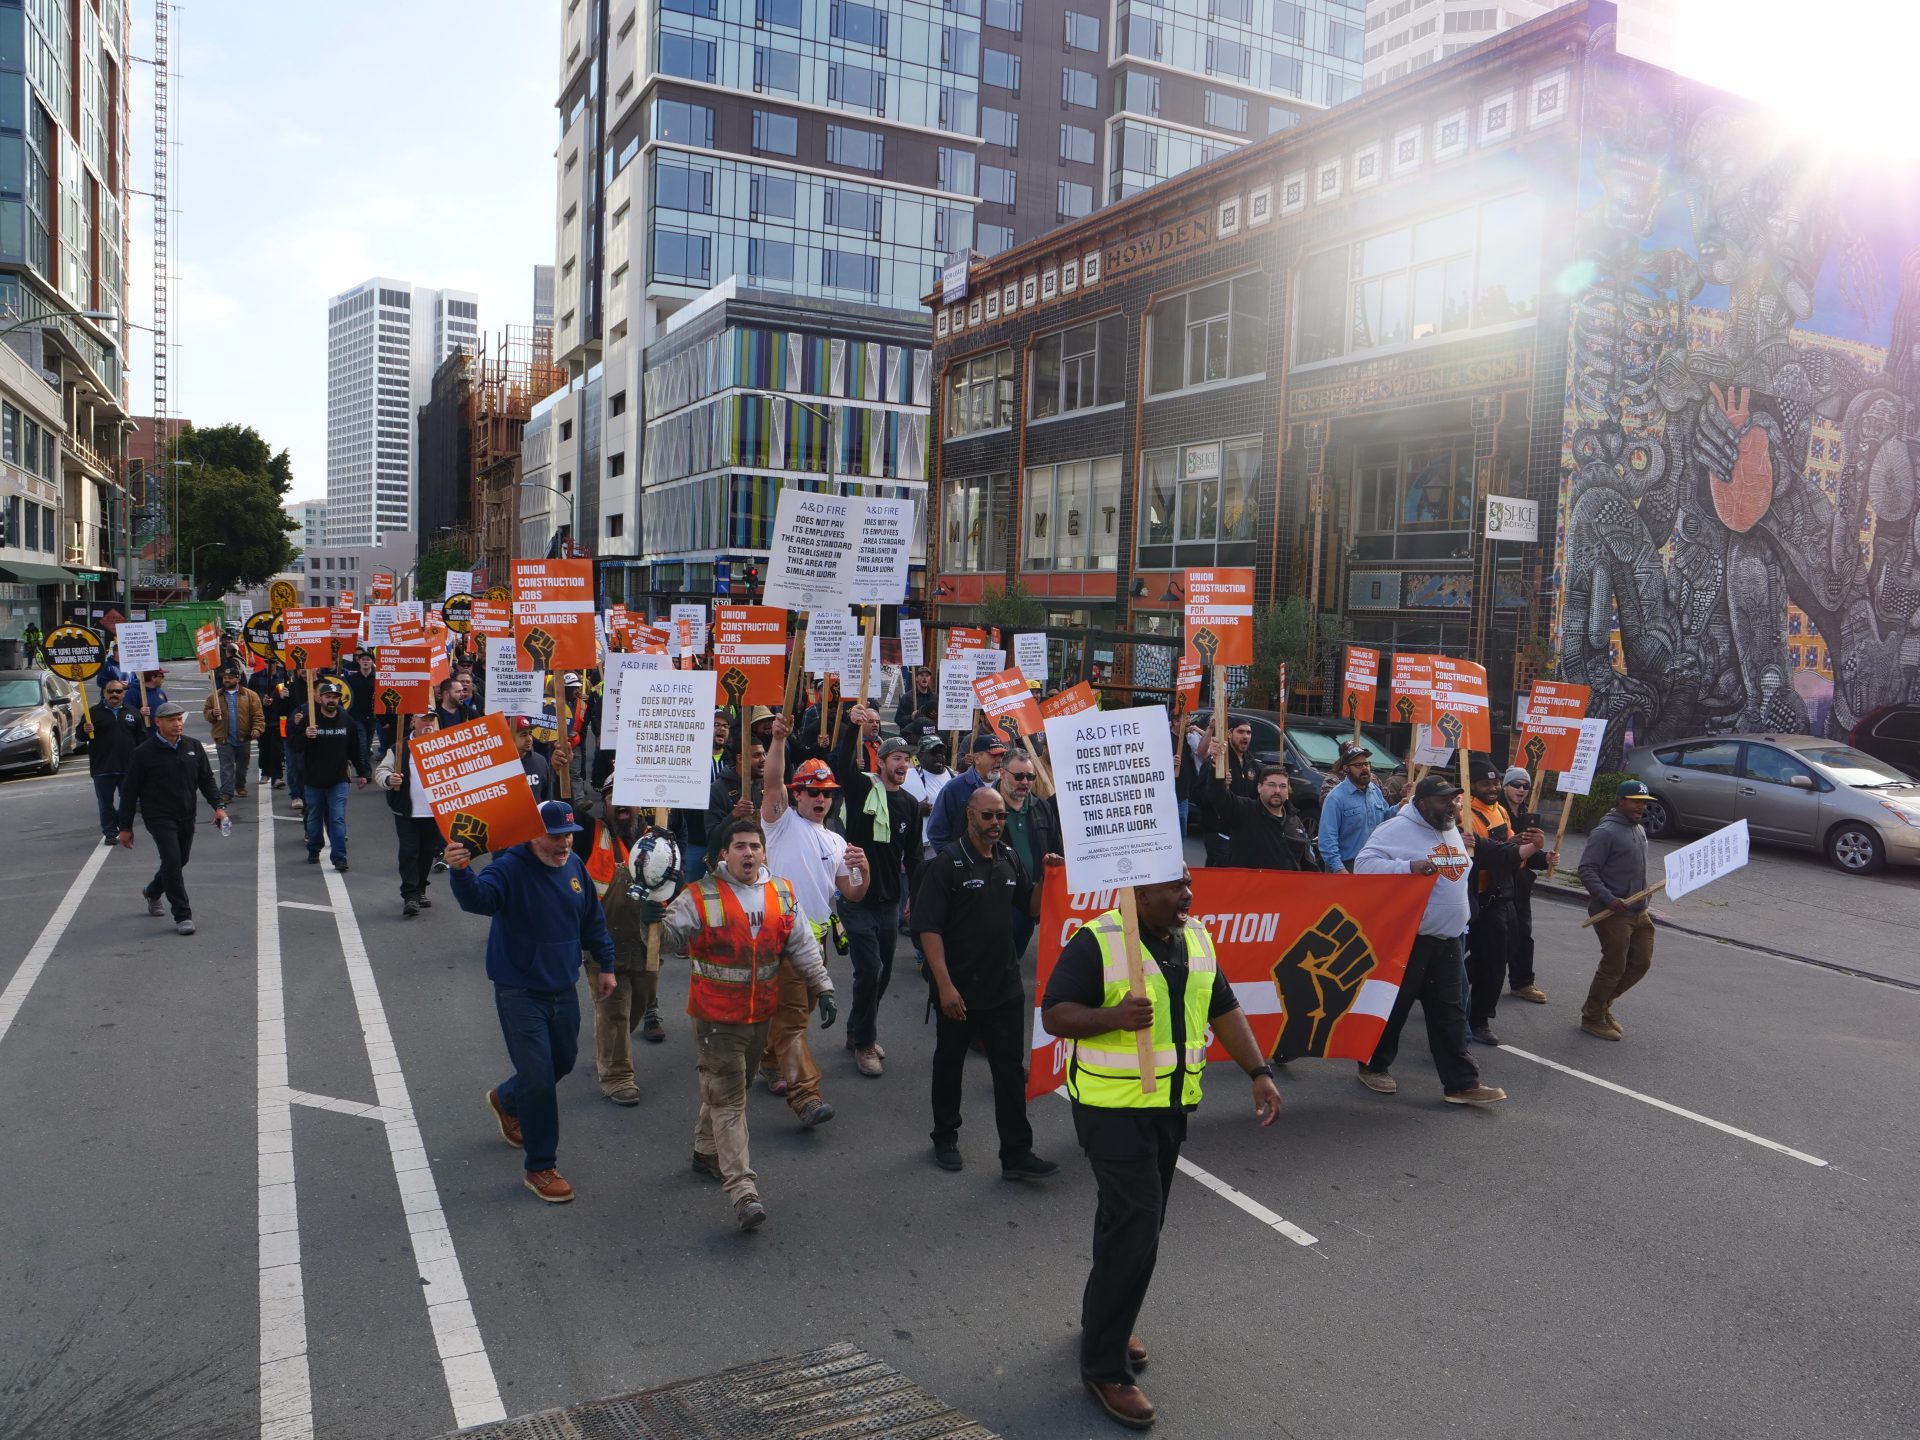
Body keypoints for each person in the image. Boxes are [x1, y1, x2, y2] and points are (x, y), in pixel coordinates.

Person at [1040, 869, 1283, 1431]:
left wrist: (1259, 1070)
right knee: (1138, 1225)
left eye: (1188, 883)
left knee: (1125, 1222)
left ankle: (1107, 1316)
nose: (1187, 895)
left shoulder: (1195, 938)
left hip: (1169, 1108)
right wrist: (1111, 1018)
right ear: (1138, 892)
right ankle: (1104, 1368)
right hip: (1112, 1112)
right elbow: (1056, 1012)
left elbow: (1223, 1007)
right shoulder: (1098, 940)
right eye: (1175, 887)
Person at [655, 816, 837, 1230]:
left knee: (725, 1092)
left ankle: (705, 1152)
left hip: (761, 1018)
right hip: (716, 1021)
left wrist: (823, 987)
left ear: (764, 852)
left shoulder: (781, 892)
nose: (749, 853)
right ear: (724, 854)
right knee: (732, 1102)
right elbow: (668, 940)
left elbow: (802, 943)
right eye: (739, 846)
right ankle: (743, 1190)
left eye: (755, 846)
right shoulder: (699, 896)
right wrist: (651, 917)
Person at [446, 798, 618, 1204]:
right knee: (539, 1079)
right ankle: (540, 1166)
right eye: (554, 837)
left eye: (568, 837)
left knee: (562, 1063)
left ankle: (505, 1098)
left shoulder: (574, 867)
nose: (563, 845)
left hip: (562, 986)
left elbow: (592, 920)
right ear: (531, 834)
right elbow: (479, 900)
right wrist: (460, 871)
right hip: (519, 990)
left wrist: (606, 964)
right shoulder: (509, 867)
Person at [914, 785, 1059, 1178]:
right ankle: (944, 1136)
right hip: (958, 991)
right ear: (969, 815)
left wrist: (1048, 876)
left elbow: (1030, 906)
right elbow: (927, 928)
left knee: (1010, 1071)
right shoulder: (947, 863)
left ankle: (1016, 1154)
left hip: (1004, 989)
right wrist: (944, 986)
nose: (996, 824)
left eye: (1000, 817)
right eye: (988, 816)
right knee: (949, 1065)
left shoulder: (1009, 858)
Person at [1352, 774, 1509, 1105]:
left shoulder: (1450, 827)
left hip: (1449, 938)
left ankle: (1461, 1083)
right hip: (1411, 939)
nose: (1450, 805)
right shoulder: (1395, 829)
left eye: (1453, 799)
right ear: (1422, 803)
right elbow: (1364, 865)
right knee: (1395, 1007)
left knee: (1450, 1012)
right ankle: (1373, 1066)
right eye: (1443, 800)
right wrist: (1409, 866)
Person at [758, 716, 867, 1127]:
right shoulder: (781, 823)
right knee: (792, 1019)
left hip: (816, 943)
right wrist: (779, 742)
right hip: (781, 938)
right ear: (796, 796)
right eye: (811, 792)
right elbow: (771, 783)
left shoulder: (837, 839)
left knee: (795, 1014)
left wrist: (864, 870)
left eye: (826, 793)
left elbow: (852, 893)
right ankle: (806, 1095)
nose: (821, 799)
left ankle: (769, 1062)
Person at [830, 709, 923, 1077]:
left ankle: (857, 1030)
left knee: (880, 976)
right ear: (881, 762)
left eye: (907, 759)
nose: (903, 764)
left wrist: (916, 896)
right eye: (897, 758)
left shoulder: (911, 806)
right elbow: (842, 764)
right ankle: (866, 1043)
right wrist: (853, 726)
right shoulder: (863, 788)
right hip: (856, 896)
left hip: (889, 901)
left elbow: (914, 856)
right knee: (869, 969)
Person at [571, 781, 662, 1103]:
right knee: (615, 1011)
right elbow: (565, 807)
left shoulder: (657, 838)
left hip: (645, 941)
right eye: (612, 797)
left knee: (639, 1003)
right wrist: (559, 772)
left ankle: (607, 1047)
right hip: (601, 941)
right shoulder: (587, 833)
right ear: (603, 803)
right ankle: (617, 1076)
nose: (621, 803)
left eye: (629, 797)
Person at [116, 702, 228, 936]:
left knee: (179, 861)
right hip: (158, 816)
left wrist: (219, 806)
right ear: (158, 722)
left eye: (179, 719)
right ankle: (183, 915)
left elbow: (206, 780)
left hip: (186, 814)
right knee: (172, 860)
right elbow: (129, 792)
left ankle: (153, 891)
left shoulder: (193, 747)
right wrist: (125, 827)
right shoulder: (143, 753)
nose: (177, 724)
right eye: (171, 720)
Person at [1463, 759, 1546, 1046]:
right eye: (1486, 784)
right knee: (1491, 961)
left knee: (1494, 956)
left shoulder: (1499, 811)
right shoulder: (1465, 815)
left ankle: (1450, 994)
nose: (1493, 788)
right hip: (1479, 897)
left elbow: (1511, 845)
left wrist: (1532, 848)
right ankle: (1478, 1019)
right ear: (1471, 784)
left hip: (1504, 893)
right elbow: (1482, 854)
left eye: (1495, 782)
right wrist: (1514, 849)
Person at [1577, 779, 1657, 1041]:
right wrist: (1610, 899)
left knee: (1641, 963)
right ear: (1620, 801)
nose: (1641, 807)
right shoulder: (1605, 832)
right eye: (1636, 801)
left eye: (1644, 803)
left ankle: (1601, 1007)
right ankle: (1592, 1018)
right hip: (1612, 913)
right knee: (1614, 966)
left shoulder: (1638, 829)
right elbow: (1587, 870)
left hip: (1639, 911)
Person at [1194, 728, 1318, 870]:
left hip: (1285, 890)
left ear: (1288, 791)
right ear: (1259, 787)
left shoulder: (1294, 821)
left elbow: (1308, 863)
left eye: (1282, 786)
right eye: (1271, 785)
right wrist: (1216, 765)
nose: (1277, 790)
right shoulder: (1244, 811)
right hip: (1251, 888)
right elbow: (1218, 796)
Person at [289, 680, 371, 871]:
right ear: (320, 698)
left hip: (339, 780)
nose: (331, 701)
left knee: (337, 818)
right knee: (314, 819)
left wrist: (362, 772)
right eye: (328, 697)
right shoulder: (309, 720)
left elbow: (355, 749)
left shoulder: (347, 721)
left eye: (335, 697)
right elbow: (294, 746)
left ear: (339, 699)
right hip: (313, 780)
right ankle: (314, 848)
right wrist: (305, 735)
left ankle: (339, 857)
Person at [374, 711, 444, 917]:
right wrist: (389, 779)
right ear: (413, 721)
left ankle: (421, 889)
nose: (428, 723)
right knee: (409, 852)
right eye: (424, 719)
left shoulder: (444, 745)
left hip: (433, 813)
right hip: (406, 811)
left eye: (432, 719)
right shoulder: (399, 747)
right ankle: (410, 896)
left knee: (426, 853)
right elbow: (381, 771)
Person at [996, 750, 1059, 959]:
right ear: (1002, 774)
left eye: (1030, 777)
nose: (1025, 782)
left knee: (1014, 957)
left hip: (1029, 900)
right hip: (994, 899)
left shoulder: (1041, 807)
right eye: (1019, 776)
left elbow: (1055, 846)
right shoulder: (983, 806)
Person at [1501, 767, 1551, 1006]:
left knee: (1522, 934)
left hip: (1519, 883)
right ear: (1505, 786)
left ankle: (1522, 982)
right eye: (1516, 784)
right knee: (1489, 938)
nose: (1521, 790)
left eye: (1525, 786)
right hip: (1495, 882)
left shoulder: (1526, 816)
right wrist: (1511, 843)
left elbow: (1530, 855)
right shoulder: (1494, 811)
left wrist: (1546, 858)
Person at [86, 677, 146, 844]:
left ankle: (120, 822)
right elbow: (80, 736)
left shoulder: (133, 712)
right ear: (104, 693)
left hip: (128, 767)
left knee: (131, 802)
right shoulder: (92, 713)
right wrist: (85, 730)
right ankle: (110, 832)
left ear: (123, 693)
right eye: (110, 691)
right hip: (102, 767)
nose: (114, 694)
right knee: (106, 804)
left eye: (118, 691)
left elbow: (142, 739)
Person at [1317, 743, 1392, 873]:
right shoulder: (1335, 798)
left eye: (1366, 764)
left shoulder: (1374, 790)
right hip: (1347, 866)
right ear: (1346, 769)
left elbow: (1385, 819)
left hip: (1374, 863)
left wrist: (1401, 807)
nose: (1364, 768)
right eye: (1358, 765)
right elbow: (1327, 841)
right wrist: (1339, 869)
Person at [926, 732, 1005, 851]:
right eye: (994, 756)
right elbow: (936, 832)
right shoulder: (954, 787)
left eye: (1001, 756)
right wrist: (953, 860)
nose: (999, 760)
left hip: (998, 864)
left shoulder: (1006, 786)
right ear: (977, 758)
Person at [1199, 717, 1259, 866]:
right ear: (1229, 733)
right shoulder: (1216, 762)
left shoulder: (1252, 764)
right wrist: (1218, 786)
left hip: (1242, 832)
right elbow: (1198, 796)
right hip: (1219, 832)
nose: (1245, 736)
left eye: (1249, 732)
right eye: (1241, 732)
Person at [202, 665, 266, 804]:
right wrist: (212, 713)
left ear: (237, 679)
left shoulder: (250, 695)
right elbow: (206, 713)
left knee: (242, 766)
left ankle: (240, 785)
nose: (226, 680)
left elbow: (258, 715)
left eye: (230, 678)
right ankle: (226, 792)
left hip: (244, 738)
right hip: (223, 739)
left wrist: (257, 729)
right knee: (226, 767)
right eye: (225, 678)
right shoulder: (214, 696)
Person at [514, 717, 557, 803]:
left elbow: (547, 797)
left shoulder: (540, 761)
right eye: (523, 735)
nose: (529, 739)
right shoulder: (499, 765)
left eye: (530, 733)